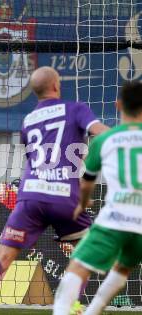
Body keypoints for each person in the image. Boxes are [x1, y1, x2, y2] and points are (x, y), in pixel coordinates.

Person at [0, 66, 109, 315]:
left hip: (30, 197)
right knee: (83, 255)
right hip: (66, 197)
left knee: (0, 260)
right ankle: (73, 304)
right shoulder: (76, 108)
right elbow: (101, 134)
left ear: (35, 91)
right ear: (56, 85)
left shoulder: (28, 121)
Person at [53, 81, 142, 315]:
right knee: (123, 269)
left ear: (118, 105)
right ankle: (93, 311)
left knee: (78, 266)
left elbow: (86, 184)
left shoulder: (105, 140)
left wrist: (82, 205)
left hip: (115, 218)